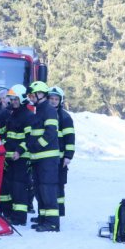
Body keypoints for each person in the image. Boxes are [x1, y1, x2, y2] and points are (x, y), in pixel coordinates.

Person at [27, 81, 61, 232]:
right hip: (37, 158)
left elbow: (51, 133)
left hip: (47, 159)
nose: (31, 97)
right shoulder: (39, 110)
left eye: (33, 94)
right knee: (40, 190)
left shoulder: (49, 110)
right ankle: (43, 219)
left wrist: (36, 145)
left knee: (47, 190)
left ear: (41, 94)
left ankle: (52, 223)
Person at [0, 85, 35, 225]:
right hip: (9, 157)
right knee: (9, 187)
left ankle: (19, 218)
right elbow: (7, 135)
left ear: (22, 99)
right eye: (12, 99)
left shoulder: (28, 116)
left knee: (19, 187)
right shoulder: (12, 115)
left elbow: (29, 138)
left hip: (21, 157)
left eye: (15, 99)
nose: (13, 101)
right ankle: (8, 214)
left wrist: (19, 151)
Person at [49, 86, 75, 218]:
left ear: (60, 101)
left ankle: (60, 211)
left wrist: (68, 156)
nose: (53, 101)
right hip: (47, 158)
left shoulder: (65, 117)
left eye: (56, 99)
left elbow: (70, 139)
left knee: (59, 185)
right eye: (51, 98)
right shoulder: (44, 114)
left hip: (60, 158)